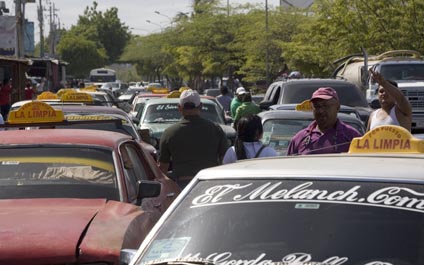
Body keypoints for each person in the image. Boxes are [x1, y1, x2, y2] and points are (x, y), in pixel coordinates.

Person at [158, 89, 229, 188]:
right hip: (211, 185)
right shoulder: (215, 129)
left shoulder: (169, 133)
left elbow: (162, 169)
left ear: (179, 108)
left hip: (181, 187)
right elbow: (225, 160)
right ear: (200, 106)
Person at [287, 87, 362, 155]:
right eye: (317, 106)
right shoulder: (299, 139)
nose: (321, 111)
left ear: (337, 107)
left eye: (326, 106)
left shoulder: (352, 137)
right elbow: (288, 167)